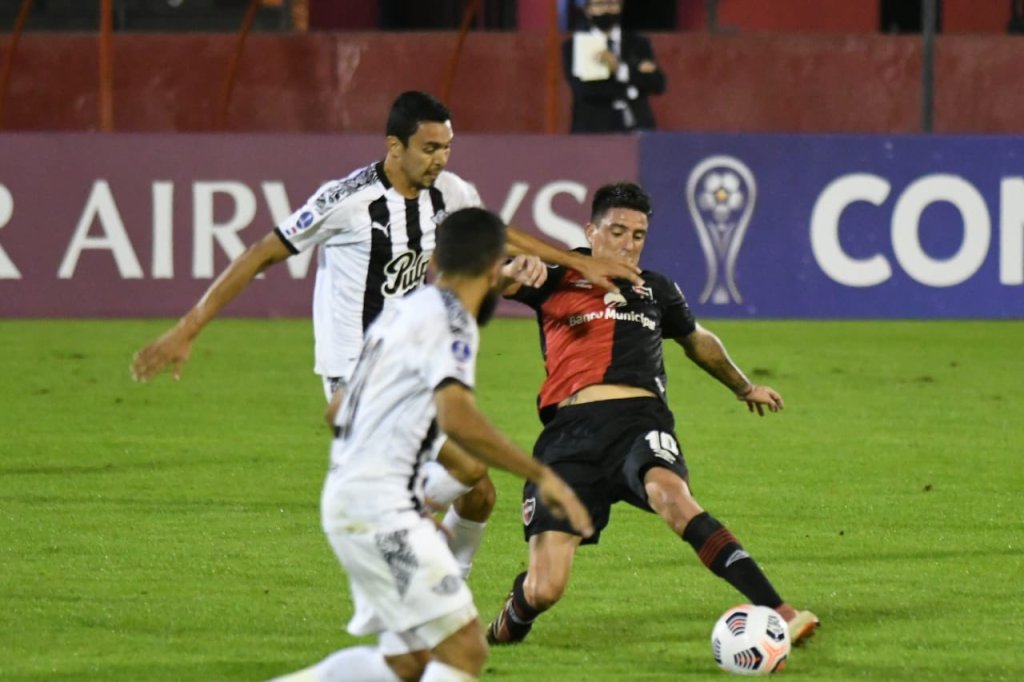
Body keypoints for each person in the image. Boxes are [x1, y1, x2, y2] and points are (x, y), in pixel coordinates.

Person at [130, 91, 639, 579]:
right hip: (355, 373)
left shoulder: (450, 192)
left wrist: (569, 262)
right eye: (429, 148)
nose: (440, 159)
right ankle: (396, 525)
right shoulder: (347, 200)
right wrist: (187, 328)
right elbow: (261, 252)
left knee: (479, 495)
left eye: (446, 147)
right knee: (466, 473)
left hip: (411, 363)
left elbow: (494, 233)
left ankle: (439, 578)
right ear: (395, 146)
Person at [486, 182, 819, 649]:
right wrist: (509, 272)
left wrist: (744, 386)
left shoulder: (657, 288)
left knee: (672, 496)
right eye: (617, 231)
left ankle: (779, 611)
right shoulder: (558, 273)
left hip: (640, 422)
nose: (628, 243)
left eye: (638, 235)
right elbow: (482, 273)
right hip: (570, 436)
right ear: (591, 231)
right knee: (546, 588)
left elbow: (697, 340)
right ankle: (517, 609)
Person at [271, 207, 593, 682]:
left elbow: (337, 409)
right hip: (377, 510)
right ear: (494, 269)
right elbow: (457, 416)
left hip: (361, 501)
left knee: (407, 661)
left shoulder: (403, 311)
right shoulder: (450, 321)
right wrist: (541, 475)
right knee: (464, 652)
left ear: (435, 261)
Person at [563, 0, 666, 134]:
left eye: (612, 3)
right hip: (593, 131)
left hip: (637, 129)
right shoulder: (574, 46)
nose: (606, 9)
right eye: (599, 4)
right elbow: (585, 90)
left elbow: (657, 84)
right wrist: (633, 87)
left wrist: (620, 69)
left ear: (620, 6)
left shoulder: (638, 42)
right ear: (588, 10)